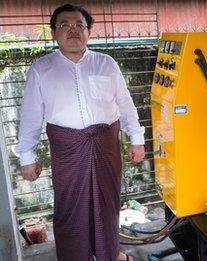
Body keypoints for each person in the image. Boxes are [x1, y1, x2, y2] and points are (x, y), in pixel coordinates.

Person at [16, 3, 144, 261]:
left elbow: (126, 104)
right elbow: (30, 115)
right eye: (65, 25)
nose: (72, 30)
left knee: (108, 202)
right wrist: (26, 157)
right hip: (67, 149)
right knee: (69, 207)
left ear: (89, 31)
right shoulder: (41, 69)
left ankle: (109, 254)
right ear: (54, 32)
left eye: (79, 25)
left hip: (106, 145)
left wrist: (137, 139)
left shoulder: (106, 64)